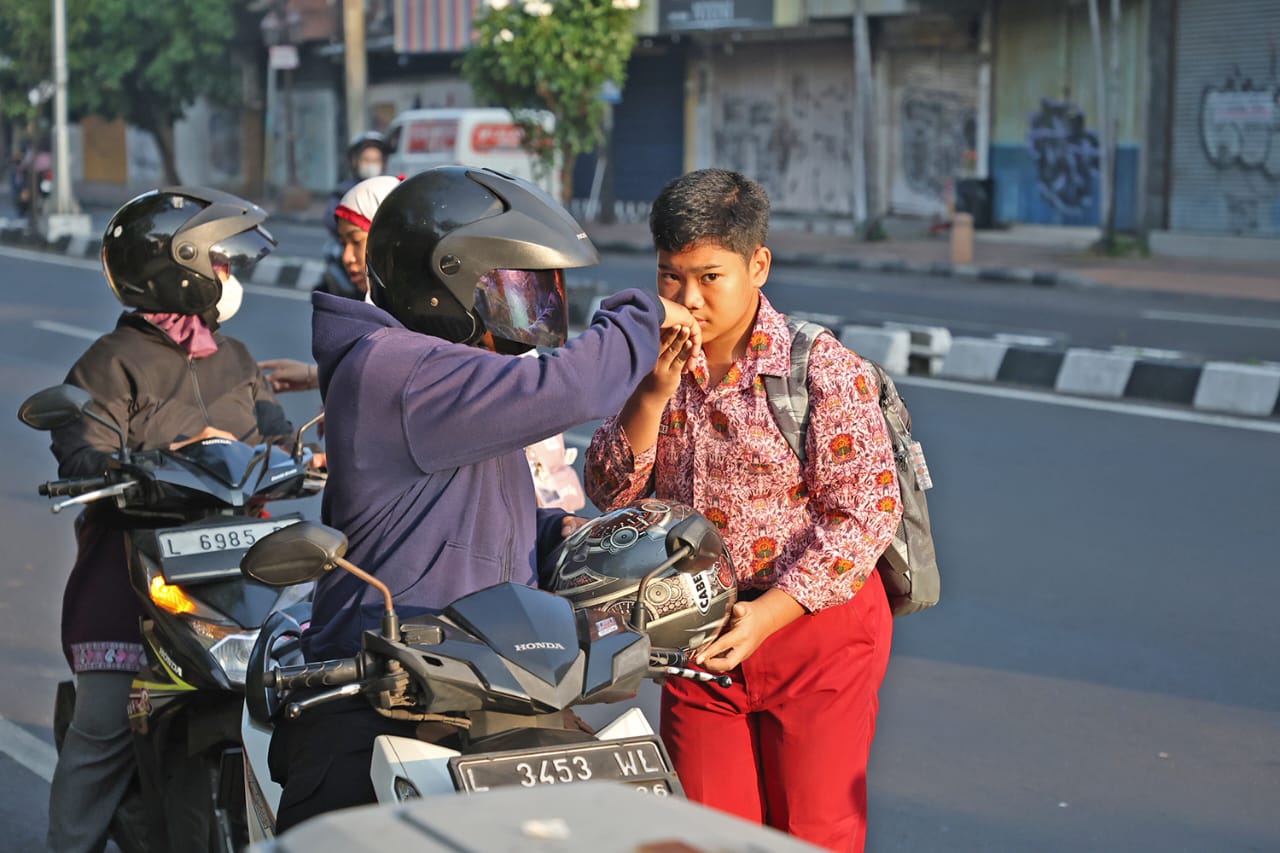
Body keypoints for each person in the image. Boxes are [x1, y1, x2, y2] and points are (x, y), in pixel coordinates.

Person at [266, 165, 700, 830]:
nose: (533, 306)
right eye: (516, 287)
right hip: (387, 686)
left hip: (497, 678)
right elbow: (572, 388)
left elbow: (468, 509)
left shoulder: (454, 375)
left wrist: (559, 535)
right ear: (447, 281)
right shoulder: (395, 367)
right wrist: (643, 313)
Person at [583, 168, 901, 852]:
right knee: (705, 833)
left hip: (815, 633)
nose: (688, 300)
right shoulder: (653, 362)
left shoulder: (823, 369)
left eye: (709, 277)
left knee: (813, 832)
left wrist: (769, 615)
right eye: (670, 277)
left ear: (758, 265)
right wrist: (650, 395)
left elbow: (865, 515)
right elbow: (611, 495)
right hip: (698, 634)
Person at [44, 186, 293, 853]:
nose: (229, 276)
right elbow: (83, 446)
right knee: (102, 726)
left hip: (234, 570)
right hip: (134, 570)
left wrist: (305, 453)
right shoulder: (109, 361)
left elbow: (277, 434)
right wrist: (145, 456)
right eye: (220, 262)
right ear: (178, 270)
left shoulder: (236, 358)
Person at [260, 175, 403, 393]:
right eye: (343, 243)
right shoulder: (384, 312)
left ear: (387, 240)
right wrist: (314, 375)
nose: (347, 257)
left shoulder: (424, 320)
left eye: (356, 241)